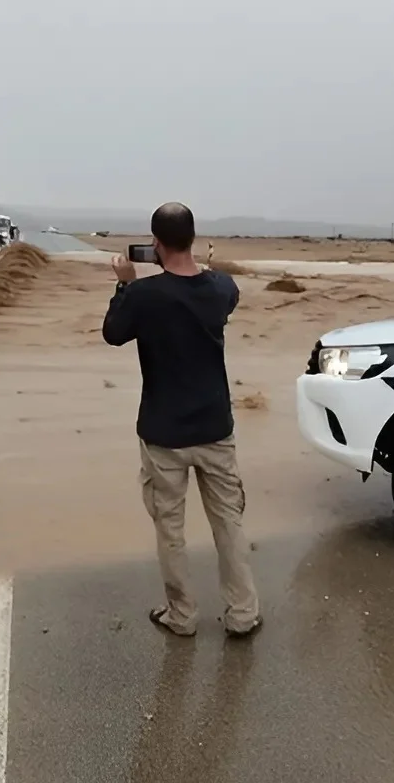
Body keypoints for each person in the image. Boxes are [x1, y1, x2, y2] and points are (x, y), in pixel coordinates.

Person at [102, 202, 261, 638]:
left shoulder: (142, 296)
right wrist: (202, 269)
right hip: (214, 427)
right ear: (192, 239)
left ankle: (182, 614)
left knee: (170, 528)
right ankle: (242, 613)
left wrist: (124, 285)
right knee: (229, 522)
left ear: (154, 243)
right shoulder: (220, 288)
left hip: (163, 433)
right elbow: (226, 293)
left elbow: (113, 333)